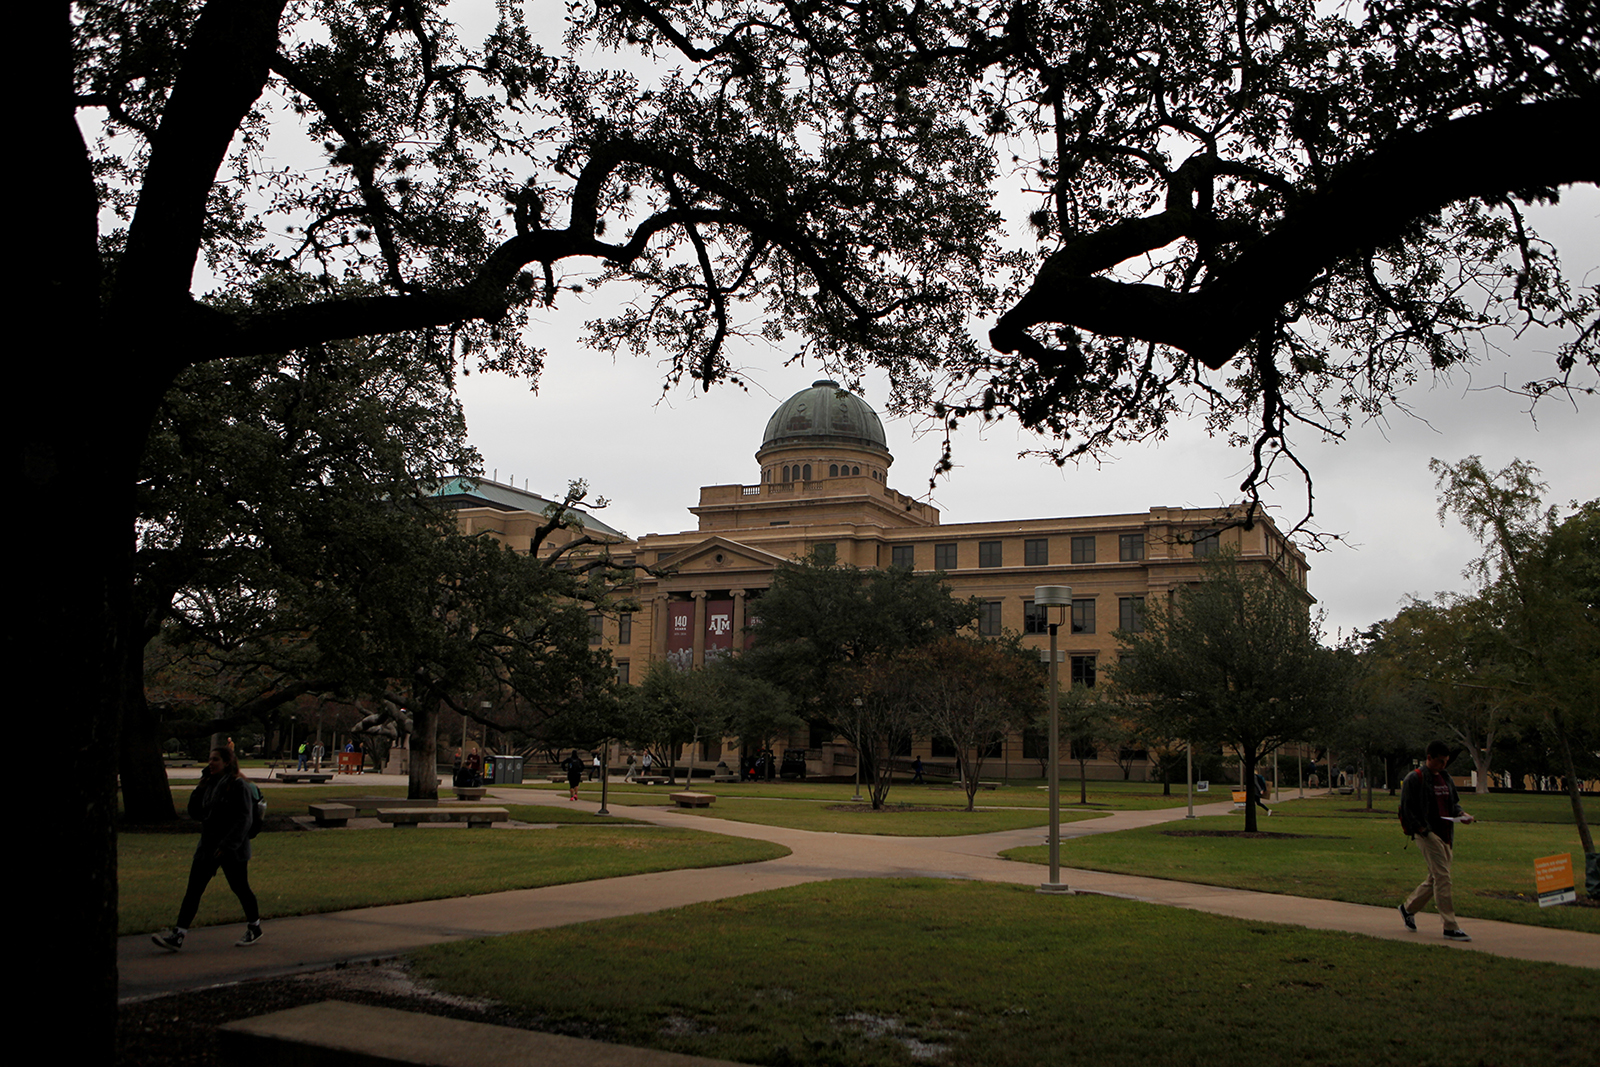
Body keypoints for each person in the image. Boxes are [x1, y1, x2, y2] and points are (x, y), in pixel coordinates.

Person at [151, 747, 262, 951]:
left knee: (240, 888)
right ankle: (178, 935)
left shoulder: (238, 786)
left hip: (232, 849)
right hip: (208, 847)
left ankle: (254, 927)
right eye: (209, 759)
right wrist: (201, 786)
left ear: (227, 762)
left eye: (216, 760)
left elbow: (244, 819)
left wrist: (227, 846)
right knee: (194, 890)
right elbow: (195, 812)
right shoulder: (210, 784)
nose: (211, 763)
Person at [1398, 740, 1476, 942]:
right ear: (1429, 757)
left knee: (1435, 877)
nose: (1443, 765)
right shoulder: (1414, 779)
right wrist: (1423, 830)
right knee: (1443, 877)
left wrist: (1461, 814)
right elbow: (1407, 810)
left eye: (1446, 761)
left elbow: (1453, 804)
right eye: (1440, 761)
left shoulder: (1445, 777)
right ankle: (1450, 926)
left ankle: (1408, 909)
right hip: (1426, 833)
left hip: (1446, 833)